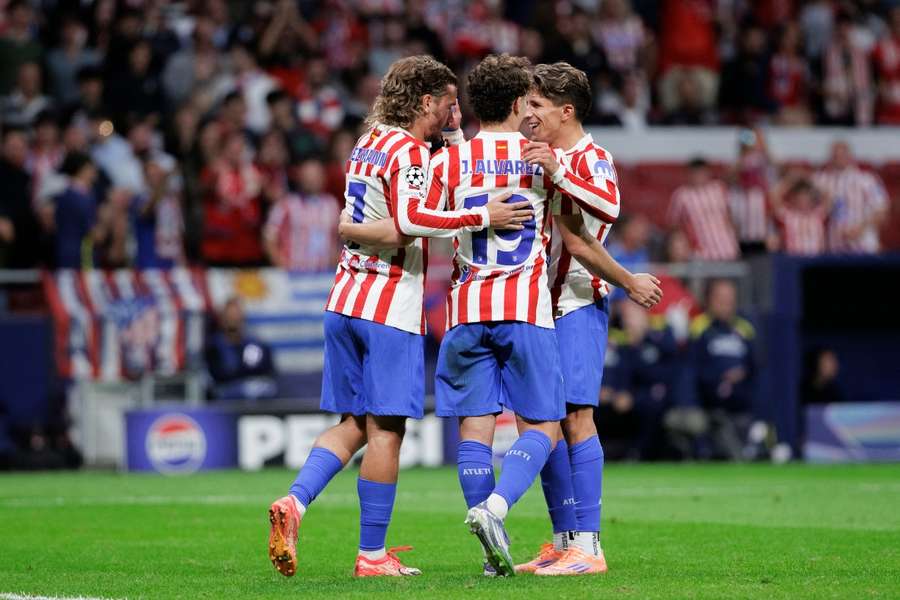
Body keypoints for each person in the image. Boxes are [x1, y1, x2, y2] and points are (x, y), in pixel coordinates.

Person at [266, 55, 525, 579]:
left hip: (343, 300)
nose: (457, 113)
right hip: (387, 306)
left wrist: (357, 228)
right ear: (426, 101)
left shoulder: (368, 142)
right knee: (387, 431)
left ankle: (294, 503)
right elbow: (410, 220)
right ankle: (372, 555)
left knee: (353, 425)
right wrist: (483, 214)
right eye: (450, 104)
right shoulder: (408, 151)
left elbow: (379, 215)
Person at [338, 54, 576, 577]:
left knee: (475, 427)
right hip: (524, 306)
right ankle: (494, 509)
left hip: (465, 311)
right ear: (518, 103)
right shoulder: (541, 155)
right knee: (546, 425)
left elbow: (422, 215)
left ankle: (492, 559)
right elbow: (583, 214)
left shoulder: (448, 161)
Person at [511, 61, 661, 576]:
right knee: (540, 421)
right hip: (536, 305)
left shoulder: (591, 159)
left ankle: (590, 547)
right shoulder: (537, 156)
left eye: (536, 105)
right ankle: (563, 538)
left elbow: (597, 223)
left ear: (565, 111)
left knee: (576, 419)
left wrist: (629, 282)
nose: (527, 113)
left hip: (576, 303)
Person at [690, 279, 757, 460]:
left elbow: (755, 366)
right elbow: (694, 369)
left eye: (730, 299)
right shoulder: (699, 327)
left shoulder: (745, 328)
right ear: (709, 300)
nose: (726, 304)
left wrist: (740, 375)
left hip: (742, 406)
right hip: (712, 407)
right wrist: (720, 379)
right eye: (721, 298)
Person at [812, 141, 888, 254]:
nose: (839, 158)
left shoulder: (867, 180)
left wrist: (861, 228)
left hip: (863, 243)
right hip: (832, 245)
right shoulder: (819, 180)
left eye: (842, 155)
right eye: (835, 155)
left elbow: (882, 210)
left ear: (850, 156)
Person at [204, 297, 277, 401]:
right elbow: (217, 376)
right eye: (229, 316)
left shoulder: (257, 345)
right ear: (222, 319)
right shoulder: (213, 347)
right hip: (226, 395)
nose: (233, 320)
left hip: (256, 395)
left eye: (236, 316)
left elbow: (269, 372)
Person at [667, 158, 740, 261]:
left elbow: (730, 216)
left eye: (702, 172)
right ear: (689, 174)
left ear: (708, 173)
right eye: (695, 173)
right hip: (701, 254)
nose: (699, 177)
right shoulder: (682, 195)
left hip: (728, 249)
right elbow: (673, 224)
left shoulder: (719, 188)